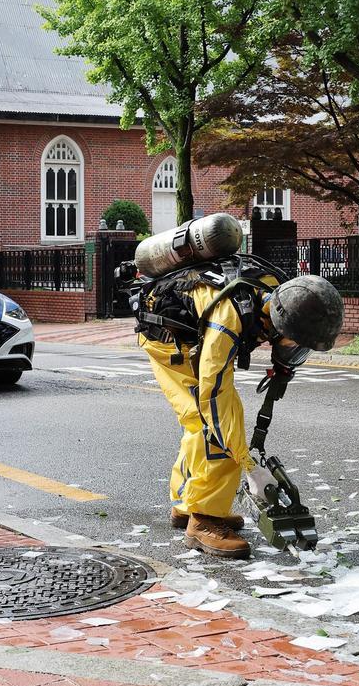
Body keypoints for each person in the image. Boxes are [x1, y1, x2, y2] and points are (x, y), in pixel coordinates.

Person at [129, 223, 344, 558]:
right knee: (216, 428)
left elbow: (282, 345)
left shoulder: (279, 294)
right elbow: (212, 395)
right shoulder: (228, 319)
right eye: (297, 344)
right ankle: (203, 520)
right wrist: (247, 463)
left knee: (204, 426)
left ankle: (187, 503)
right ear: (277, 324)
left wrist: (283, 366)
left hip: (197, 339)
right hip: (173, 346)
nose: (295, 349)